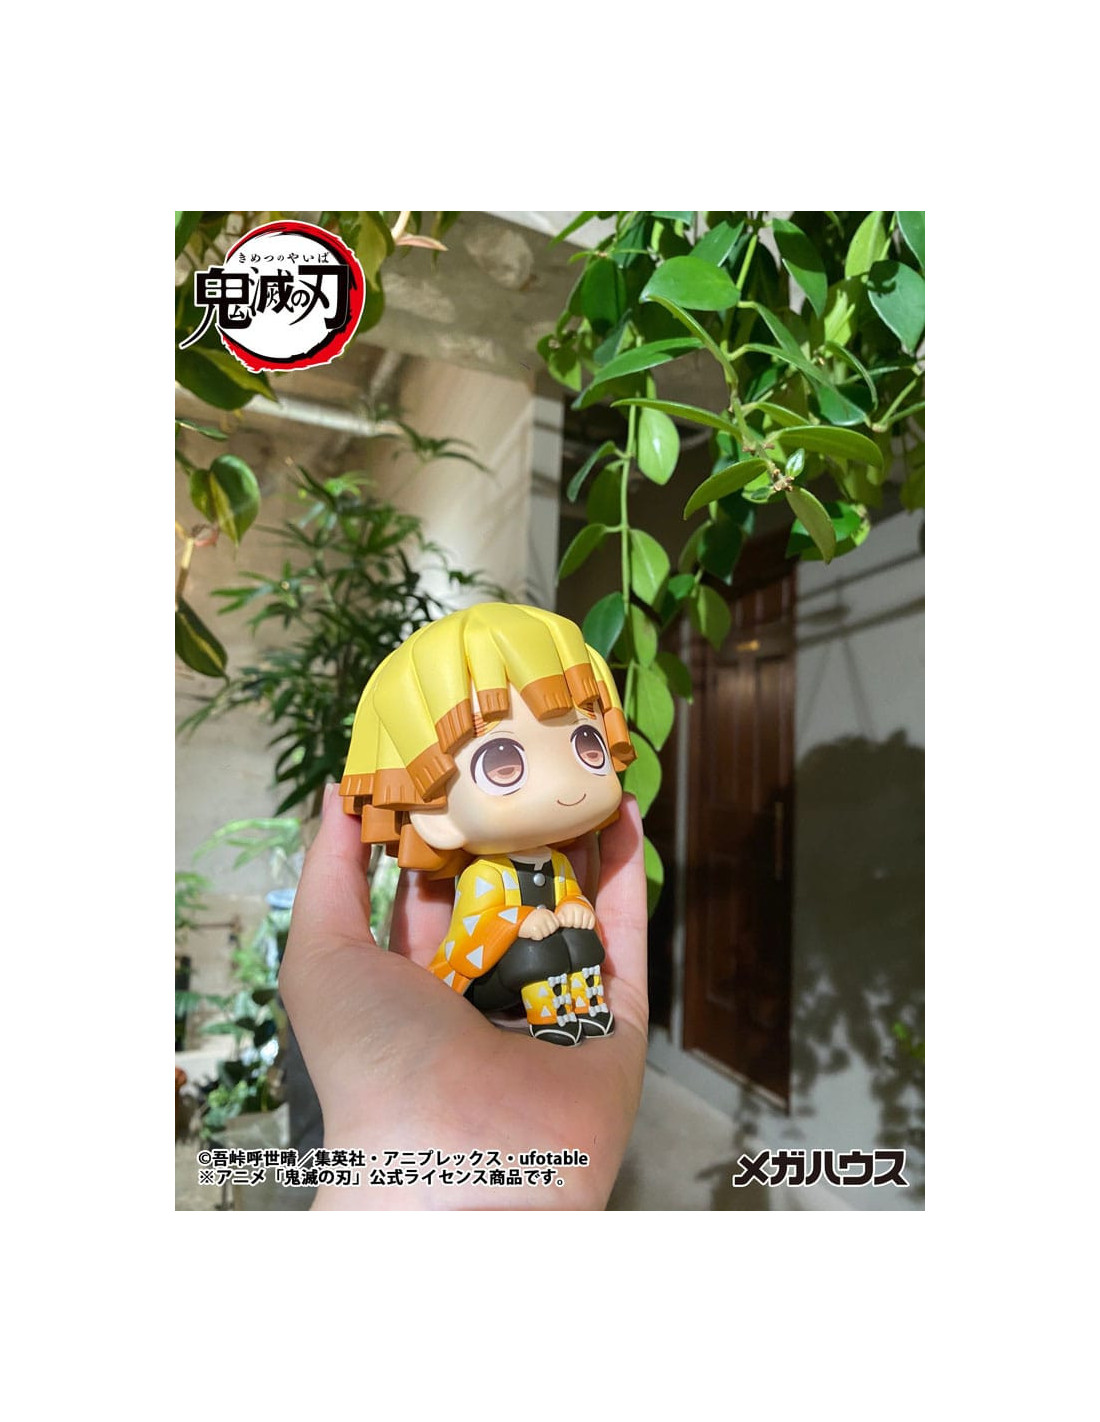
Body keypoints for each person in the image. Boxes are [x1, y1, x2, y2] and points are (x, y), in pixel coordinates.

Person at [279, 603, 649, 1209]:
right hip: (487, 977)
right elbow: (475, 933)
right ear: (434, 814)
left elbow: (568, 897)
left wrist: (573, 910)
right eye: (504, 762)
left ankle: (582, 1011)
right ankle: (553, 1016)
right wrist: (523, 922)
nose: (565, 781)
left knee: (584, 941)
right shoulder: (483, 877)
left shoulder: (556, 865)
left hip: (544, 952)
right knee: (536, 953)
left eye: (586, 742)